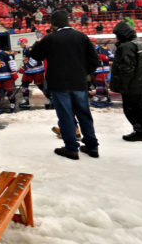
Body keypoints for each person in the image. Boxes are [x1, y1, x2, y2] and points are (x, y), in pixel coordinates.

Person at [29, 10, 100, 160]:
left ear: (54, 24)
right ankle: (92, 147)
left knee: (66, 115)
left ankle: (71, 148)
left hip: (59, 84)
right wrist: (83, 73)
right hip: (79, 83)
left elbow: (35, 55)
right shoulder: (82, 36)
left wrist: (38, 42)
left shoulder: (50, 39)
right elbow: (95, 61)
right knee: (84, 114)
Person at [110, 21, 142, 142]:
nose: (116, 37)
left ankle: (140, 132)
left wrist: (123, 85)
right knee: (140, 107)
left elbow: (126, 68)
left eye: (118, 34)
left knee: (130, 108)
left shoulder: (127, 46)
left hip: (132, 85)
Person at [0, 42, 18, 113]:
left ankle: (12, 104)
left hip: (6, 77)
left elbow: (12, 63)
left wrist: (14, 72)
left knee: (9, 92)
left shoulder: (5, 54)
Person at [18, 38, 45, 109]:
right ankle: (26, 100)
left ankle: (50, 99)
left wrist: (26, 67)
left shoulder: (31, 49)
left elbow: (35, 59)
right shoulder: (24, 50)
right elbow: (26, 60)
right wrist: (23, 66)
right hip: (28, 71)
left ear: (25, 42)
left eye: (21, 43)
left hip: (37, 70)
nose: (20, 45)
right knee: (24, 85)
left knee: (40, 85)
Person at [91, 39, 114, 107]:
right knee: (102, 84)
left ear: (95, 43)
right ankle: (105, 97)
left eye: (92, 42)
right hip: (95, 71)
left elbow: (112, 57)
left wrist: (104, 57)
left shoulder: (102, 49)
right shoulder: (89, 50)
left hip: (103, 70)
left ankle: (98, 97)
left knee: (100, 83)